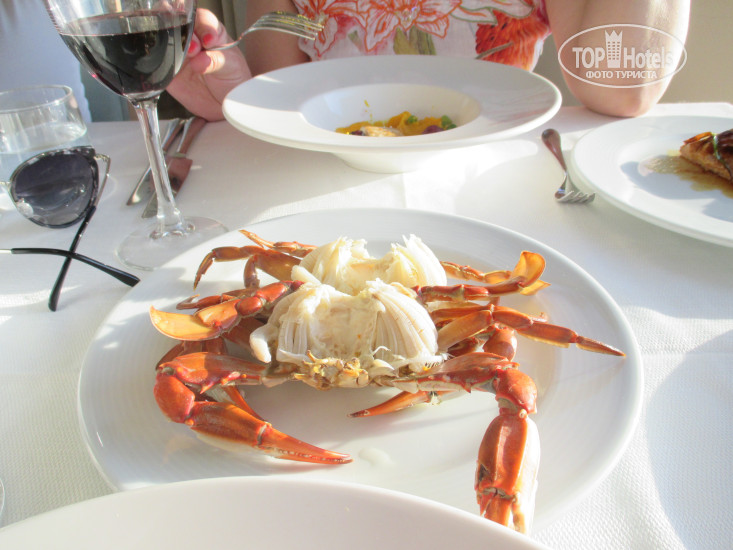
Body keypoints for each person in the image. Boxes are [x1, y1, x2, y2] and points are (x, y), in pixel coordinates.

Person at [167, 0, 690, 121]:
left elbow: (621, 87)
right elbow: (281, 86)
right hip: (328, 179)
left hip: (492, 179)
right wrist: (230, 94)